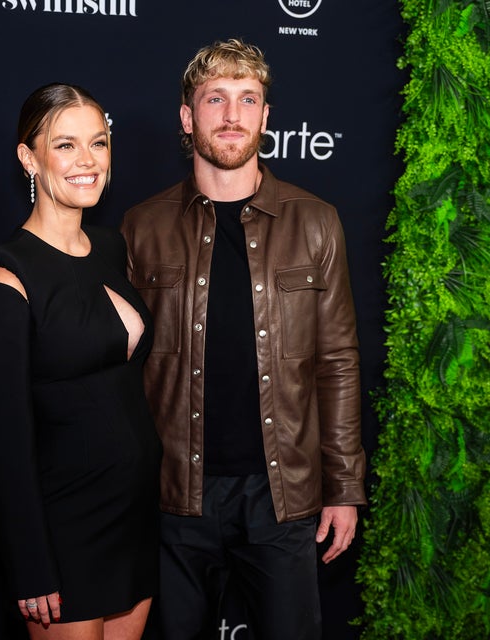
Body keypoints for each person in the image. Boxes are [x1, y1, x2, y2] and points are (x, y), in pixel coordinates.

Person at [120, 39, 367, 639]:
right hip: (174, 496)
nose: (231, 115)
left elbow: (336, 362)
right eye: (215, 99)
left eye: (247, 99)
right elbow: (120, 374)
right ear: (188, 117)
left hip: (284, 497)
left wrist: (344, 487)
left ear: (265, 117)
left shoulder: (316, 221)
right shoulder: (140, 226)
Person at [0, 83, 161, 640]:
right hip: (65, 526)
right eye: (66, 145)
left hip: (134, 515)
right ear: (29, 157)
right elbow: (2, 439)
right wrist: (31, 565)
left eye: (98, 143)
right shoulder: (5, 278)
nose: (87, 162)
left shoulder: (110, 248)